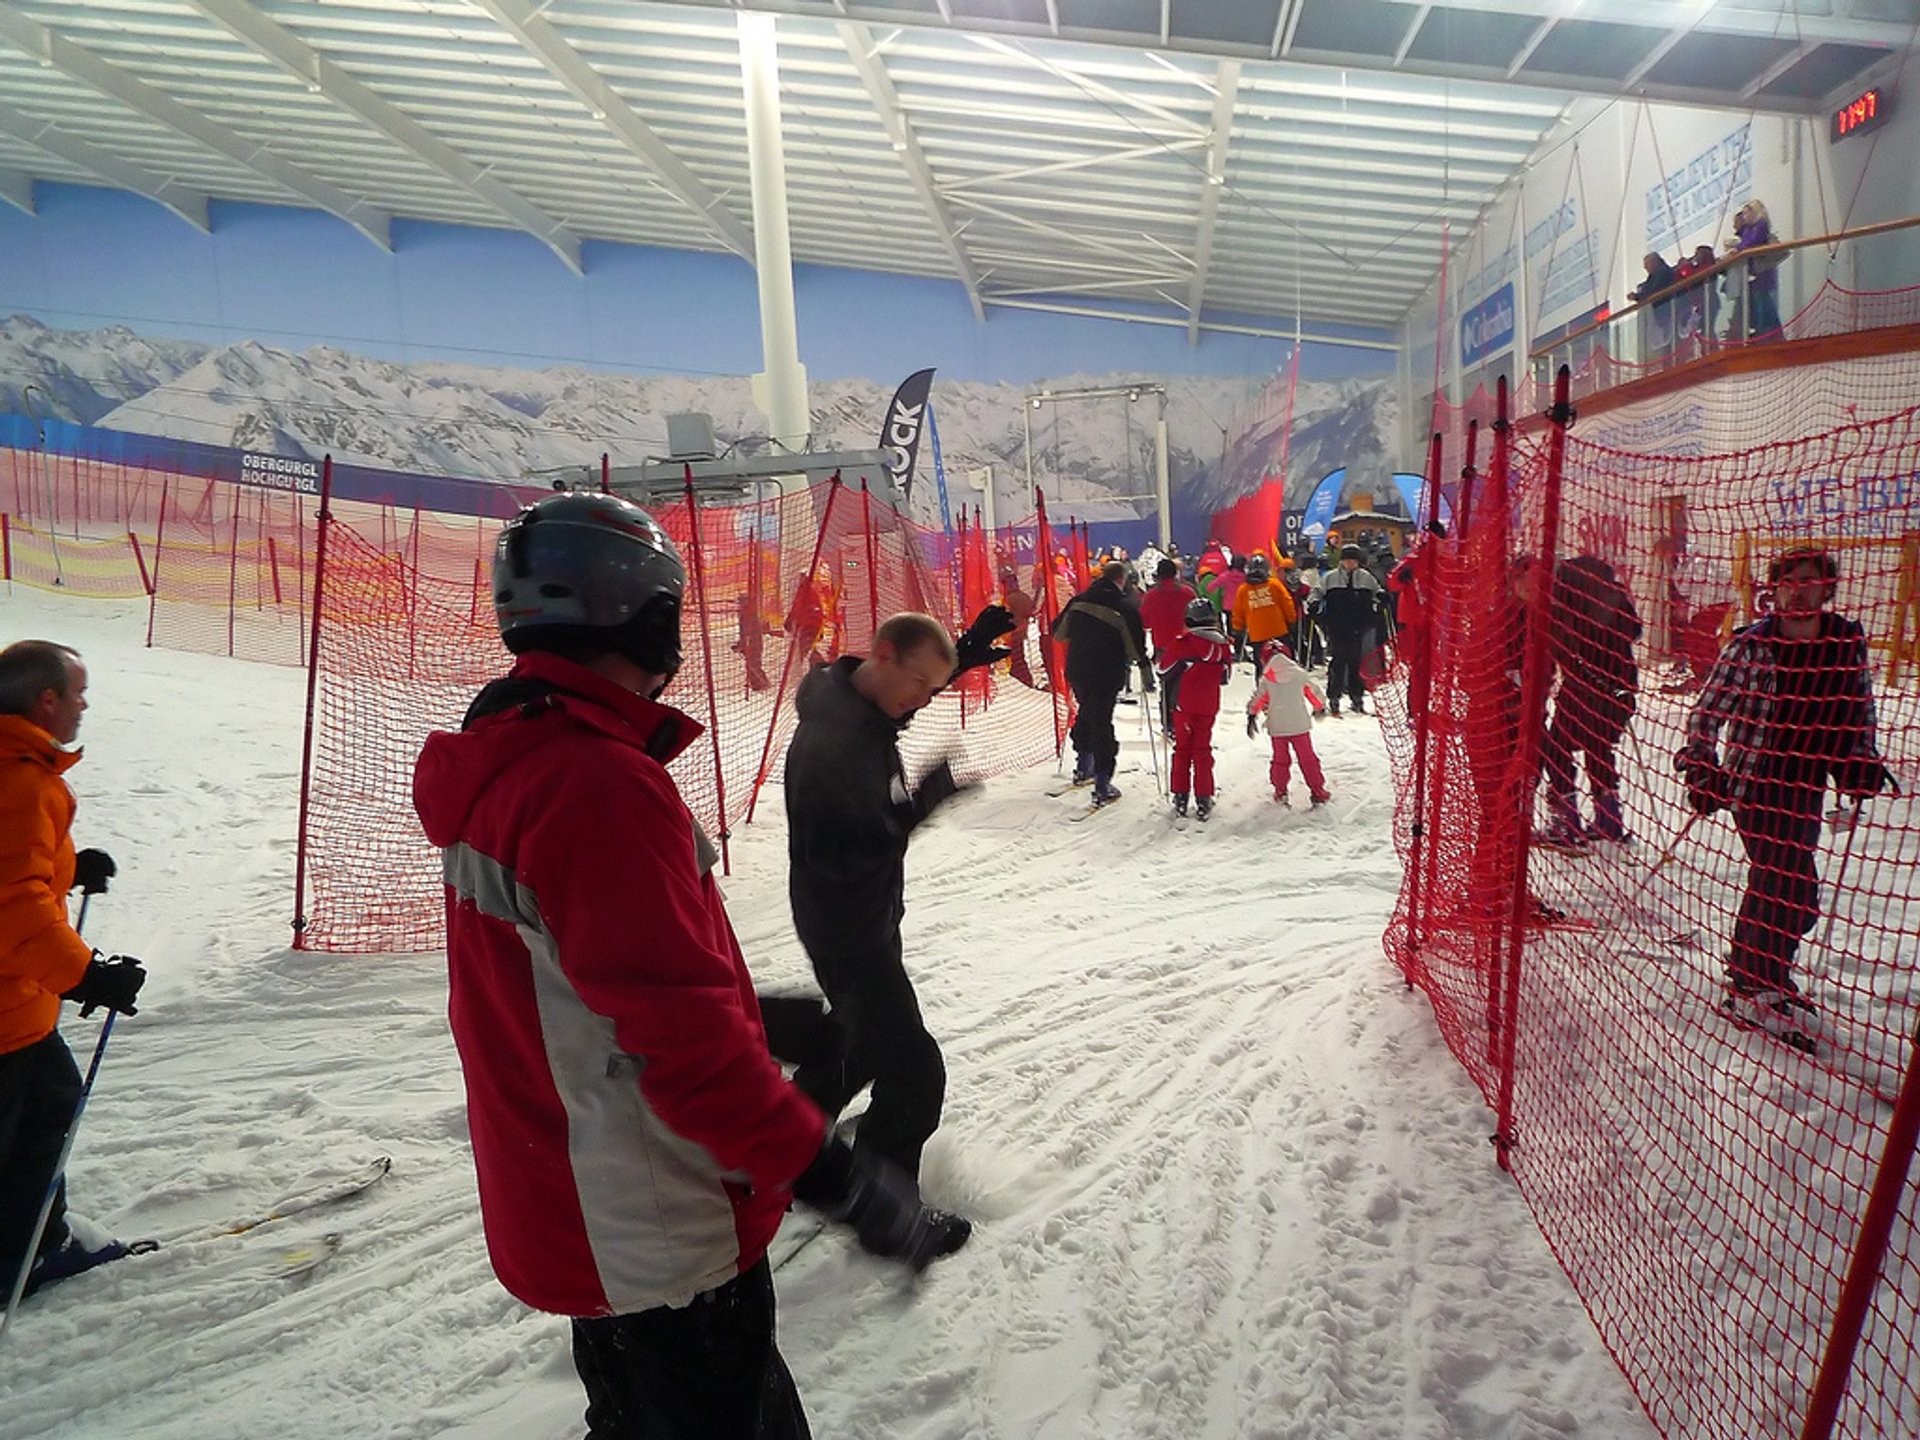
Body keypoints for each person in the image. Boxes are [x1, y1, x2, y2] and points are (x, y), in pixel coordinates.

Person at [412, 493, 960, 1440]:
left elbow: (599, 982)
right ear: (645, 613)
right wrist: (842, 1184)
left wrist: (752, 1018)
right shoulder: (594, 785)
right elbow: (683, 1047)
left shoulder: (516, 757)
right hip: (653, 1218)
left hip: (590, 1201)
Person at [782, 606, 1004, 1201]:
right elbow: (840, 853)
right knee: (913, 1070)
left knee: (856, 1044)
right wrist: (918, 805)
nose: (925, 701)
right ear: (882, 657)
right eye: (920, 686)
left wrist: (962, 652)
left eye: (934, 688)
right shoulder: (836, 745)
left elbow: (905, 671)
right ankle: (885, 1199)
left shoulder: (860, 706)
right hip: (845, 927)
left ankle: (787, 1142)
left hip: (866, 918)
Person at [1678, 546, 1894, 1051]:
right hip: (1757, 780)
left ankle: (1760, 978)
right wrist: (1701, 764)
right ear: (1773, 588)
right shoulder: (1751, 645)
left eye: (1809, 581)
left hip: (1807, 781)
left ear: (1826, 588)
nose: (1798, 590)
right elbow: (1706, 714)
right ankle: (1752, 985)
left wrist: (1859, 761)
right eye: (1789, 581)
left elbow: (1858, 710)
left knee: (1785, 887)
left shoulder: (1845, 643)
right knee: (1788, 886)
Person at [2, 640, 146, 1305]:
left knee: (48, 1105)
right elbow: (15, 908)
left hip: (18, 1006)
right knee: (41, 1118)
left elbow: (20, 873)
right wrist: (87, 975)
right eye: (77, 693)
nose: (85, 705)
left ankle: (32, 1241)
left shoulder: (16, 764)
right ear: (46, 699)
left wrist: (68, 868)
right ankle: (24, 1256)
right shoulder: (21, 779)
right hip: (9, 1017)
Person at [1536, 556, 1642, 851]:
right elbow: (1635, 631)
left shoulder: (1573, 605)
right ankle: (1609, 820)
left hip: (1587, 689)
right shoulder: (1615, 598)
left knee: (1556, 748)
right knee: (1599, 749)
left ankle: (1566, 821)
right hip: (1620, 690)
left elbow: (1565, 649)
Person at [1050, 560, 1151, 806]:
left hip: (1077, 670)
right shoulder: (1124, 608)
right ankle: (1102, 782)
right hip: (1106, 673)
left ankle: (1084, 765)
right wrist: (1145, 669)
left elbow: (1058, 633)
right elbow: (1135, 648)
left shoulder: (1079, 600)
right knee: (1101, 721)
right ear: (1122, 580)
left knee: (1087, 713)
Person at [1159, 598, 1233, 820]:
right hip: (1209, 704)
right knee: (1203, 750)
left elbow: (1163, 671)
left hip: (1183, 704)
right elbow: (1226, 677)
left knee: (1182, 750)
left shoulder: (1183, 642)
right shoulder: (1224, 646)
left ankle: (1181, 796)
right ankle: (1204, 797)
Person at [1248, 639, 1329, 808]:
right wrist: (1320, 706)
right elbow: (1313, 692)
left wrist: (1251, 714)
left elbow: (1258, 699)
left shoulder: (1267, 679)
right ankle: (1317, 791)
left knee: (1280, 760)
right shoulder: (1299, 674)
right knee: (1308, 759)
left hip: (1277, 726)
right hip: (1299, 724)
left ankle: (1280, 791)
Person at [1310, 543, 1385, 716]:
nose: (1350, 564)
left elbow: (1377, 590)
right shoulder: (1331, 577)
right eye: (1347, 561)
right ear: (1342, 561)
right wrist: (1314, 604)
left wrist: (1381, 596)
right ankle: (1334, 697)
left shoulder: (1366, 577)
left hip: (1359, 625)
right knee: (1338, 661)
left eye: (1354, 561)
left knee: (1356, 662)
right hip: (1337, 625)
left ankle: (1356, 697)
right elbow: (1317, 591)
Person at [1139, 557, 1197, 738]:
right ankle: (1187, 720)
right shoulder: (1188, 593)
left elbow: (1145, 623)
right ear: (1176, 573)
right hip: (1188, 645)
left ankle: (1169, 723)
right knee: (1188, 685)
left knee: (1167, 685)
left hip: (1164, 649)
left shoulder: (1151, 596)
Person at [1724, 200, 1783, 340]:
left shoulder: (1760, 225)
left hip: (1761, 274)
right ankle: (1763, 334)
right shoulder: (1748, 229)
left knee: (1764, 306)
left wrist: (1737, 249)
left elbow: (1751, 243)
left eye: (1745, 212)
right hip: (1751, 275)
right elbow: (1745, 243)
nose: (1743, 216)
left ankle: (1771, 336)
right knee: (1758, 306)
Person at [1230, 552, 1297, 673]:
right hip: (1279, 631)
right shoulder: (1274, 584)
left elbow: (1238, 612)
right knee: (1286, 664)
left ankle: (1263, 690)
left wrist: (1238, 628)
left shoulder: (1243, 590)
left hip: (1257, 635)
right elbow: (1287, 603)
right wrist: (1291, 621)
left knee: (1261, 667)